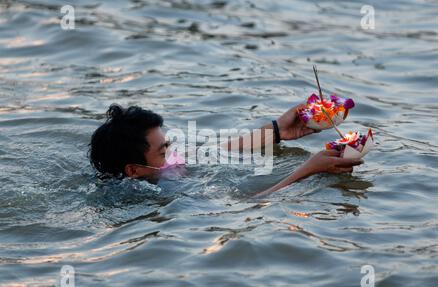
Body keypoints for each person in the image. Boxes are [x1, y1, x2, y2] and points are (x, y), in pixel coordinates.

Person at [89, 103, 363, 196]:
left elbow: (216, 149)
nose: (171, 154)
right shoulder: (162, 191)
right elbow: (249, 203)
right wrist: (308, 170)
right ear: (133, 171)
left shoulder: (156, 167)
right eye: (163, 152)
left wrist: (278, 130)